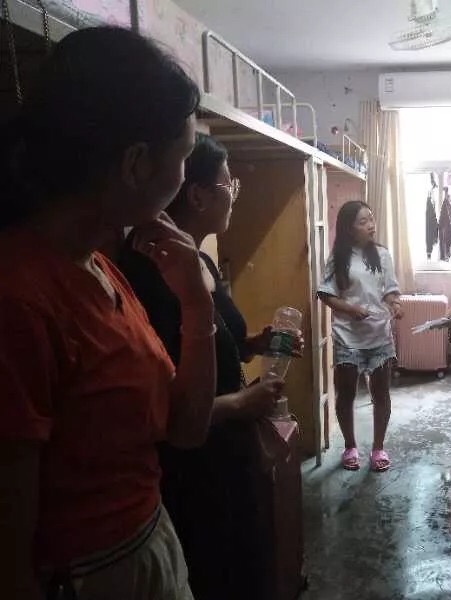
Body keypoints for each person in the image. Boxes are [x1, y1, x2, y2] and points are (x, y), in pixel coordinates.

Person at [0, 27, 214, 599]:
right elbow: (9, 557)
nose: (184, 177)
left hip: (145, 547)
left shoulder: (98, 267)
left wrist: (196, 302)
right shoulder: (20, 298)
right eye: (184, 156)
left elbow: (185, 428)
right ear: (137, 163)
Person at [116, 133, 297, 600]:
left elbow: (221, 346)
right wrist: (241, 402)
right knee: (216, 572)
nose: (234, 194)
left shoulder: (200, 262)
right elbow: (162, 409)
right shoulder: (148, 277)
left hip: (230, 454)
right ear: (196, 195)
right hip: (194, 469)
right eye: (228, 183)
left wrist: (256, 343)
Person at [318, 201, 403, 472]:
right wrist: (350, 309)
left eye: (371, 219)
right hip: (348, 337)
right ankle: (350, 446)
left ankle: (378, 448)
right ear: (349, 228)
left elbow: (390, 290)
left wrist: (395, 304)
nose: (371, 225)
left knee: (381, 394)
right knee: (346, 394)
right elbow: (325, 294)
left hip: (379, 335)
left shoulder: (382, 255)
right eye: (363, 221)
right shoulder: (338, 257)